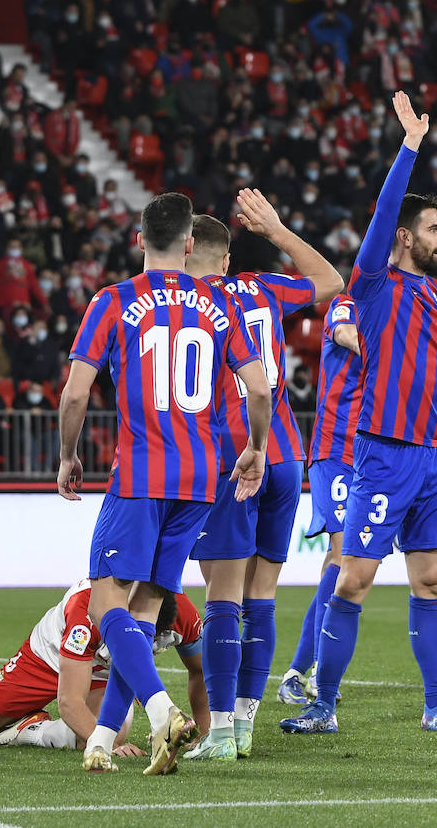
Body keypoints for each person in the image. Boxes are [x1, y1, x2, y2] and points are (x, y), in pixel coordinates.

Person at [282, 92, 437, 735]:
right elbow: (382, 215)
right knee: (353, 580)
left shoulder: (433, 291)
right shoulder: (373, 282)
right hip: (383, 453)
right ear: (404, 237)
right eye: (435, 228)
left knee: (432, 578)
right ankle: (323, 705)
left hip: (434, 457)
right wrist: (409, 146)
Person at [57, 192, 272, 776]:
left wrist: (68, 454)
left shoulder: (112, 301)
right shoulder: (219, 304)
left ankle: (159, 712)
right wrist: (254, 448)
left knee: (106, 603)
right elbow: (258, 387)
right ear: (187, 245)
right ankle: (103, 739)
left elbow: (76, 392)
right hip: (201, 477)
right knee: (147, 604)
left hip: (140, 473)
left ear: (138, 239)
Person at [180, 192, 342, 761]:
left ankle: (220, 731)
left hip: (233, 458)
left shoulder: (182, 300)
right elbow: (330, 279)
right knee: (264, 595)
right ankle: (246, 726)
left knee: (223, 597)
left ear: (185, 249)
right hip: (285, 456)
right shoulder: (261, 287)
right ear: (227, 257)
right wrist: (275, 230)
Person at [0, 582, 208, 753]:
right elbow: (69, 701)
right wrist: (105, 748)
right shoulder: (89, 612)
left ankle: (30, 729)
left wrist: (205, 738)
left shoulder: (181, 612)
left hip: (102, 671)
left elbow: (200, 672)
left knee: (109, 731)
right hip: (48, 657)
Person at [277, 292, 362, 705]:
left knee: (347, 566)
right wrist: (393, 347)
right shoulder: (348, 303)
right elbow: (345, 333)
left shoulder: (402, 309)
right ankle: (310, 674)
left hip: (376, 453)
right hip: (336, 451)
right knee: (342, 555)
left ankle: (301, 671)